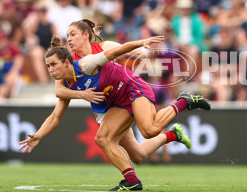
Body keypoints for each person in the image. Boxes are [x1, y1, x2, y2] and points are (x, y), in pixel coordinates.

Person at [19, 34, 211, 192]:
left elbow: (115, 51)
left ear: (67, 63)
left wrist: (141, 43)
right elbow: (55, 117)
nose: (51, 70)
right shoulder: (67, 85)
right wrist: (39, 135)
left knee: (146, 131)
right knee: (137, 154)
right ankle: (170, 137)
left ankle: (184, 101)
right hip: (116, 104)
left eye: (53, 65)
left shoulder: (85, 64)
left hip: (130, 88)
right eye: (48, 67)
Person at [58, 19, 182, 168]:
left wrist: (144, 49)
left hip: (122, 99)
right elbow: (59, 91)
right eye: (67, 35)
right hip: (105, 108)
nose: (69, 39)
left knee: (112, 137)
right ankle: (172, 134)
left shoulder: (105, 47)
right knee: (138, 155)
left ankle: (130, 179)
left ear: (86, 35)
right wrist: (82, 95)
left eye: (72, 34)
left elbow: (131, 52)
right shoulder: (71, 63)